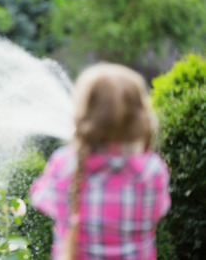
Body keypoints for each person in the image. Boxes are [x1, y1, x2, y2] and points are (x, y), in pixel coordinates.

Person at [29, 63, 171, 260]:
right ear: (139, 117)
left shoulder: (64, 164)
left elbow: (41, 199)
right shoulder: (152, 171)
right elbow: (160, 209)